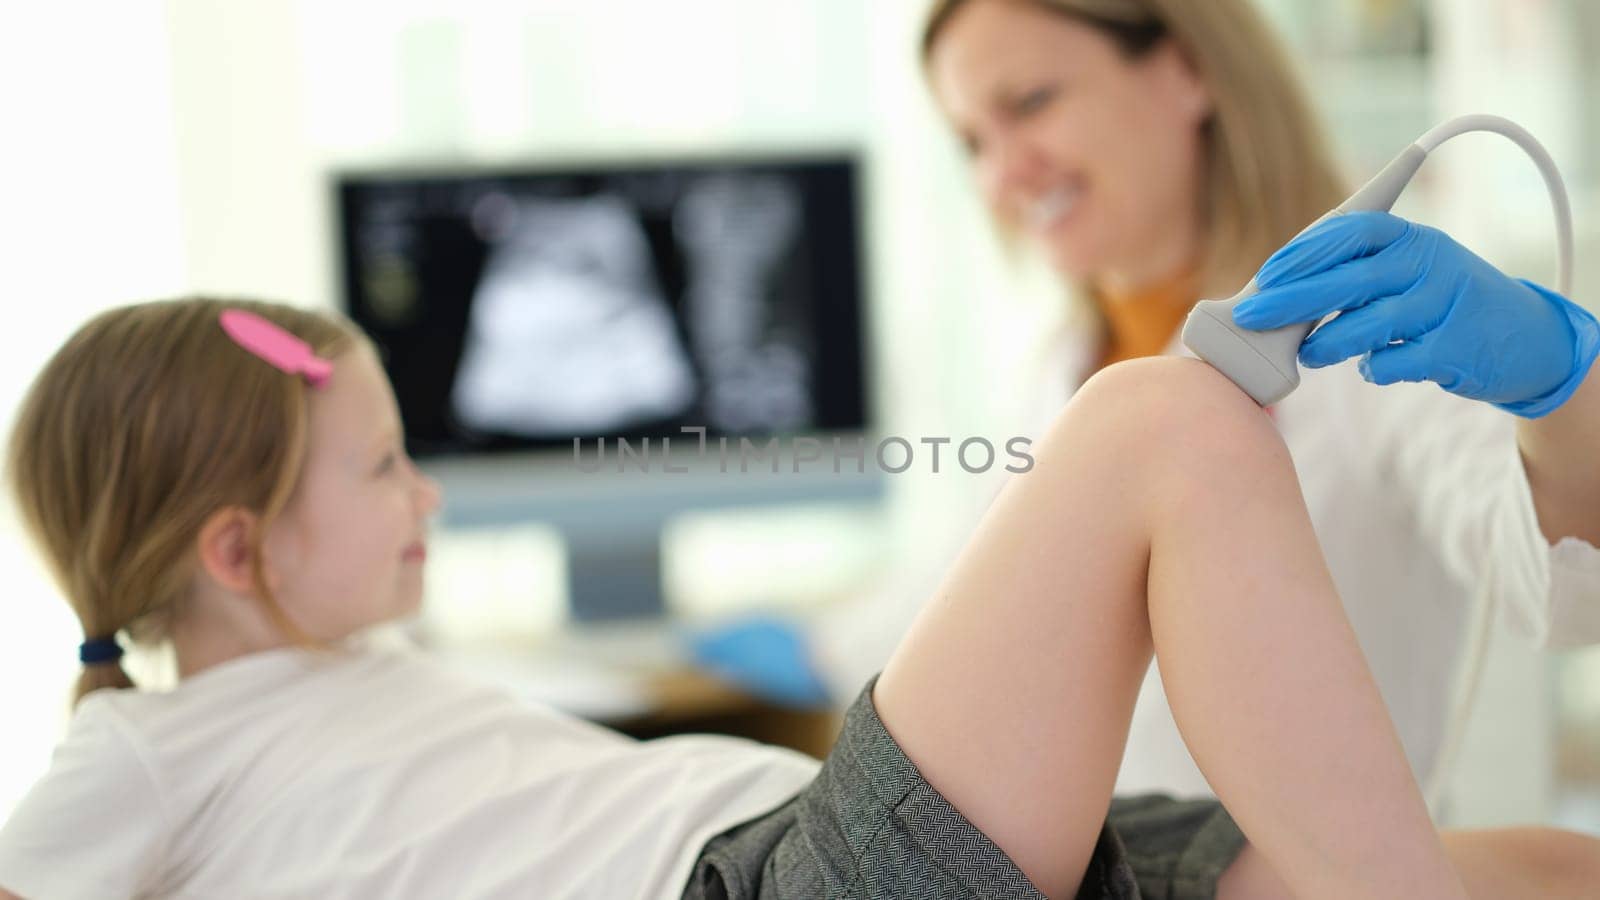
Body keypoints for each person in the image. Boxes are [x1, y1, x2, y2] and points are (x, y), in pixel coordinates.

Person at [0, 297, 1597, 899]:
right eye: (379, 468)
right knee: (1159, 423)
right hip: (766, 883)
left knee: (1547, 866)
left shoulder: (363, 677)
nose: (425, 495)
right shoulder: (143, 754)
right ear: (235, 550)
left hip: (832, 842)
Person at [692, 0, 1600, 808]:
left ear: (1186, 71)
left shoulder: (1369, 333)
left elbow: (1563, 593)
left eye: (1031, 104)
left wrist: (1559, 378)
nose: (1004, 173)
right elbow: (971, 595)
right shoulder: (1060, 368)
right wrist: (807, 647)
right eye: (972, 140)